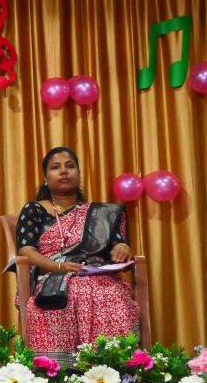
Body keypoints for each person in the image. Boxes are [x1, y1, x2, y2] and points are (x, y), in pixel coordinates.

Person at [15, 147, 139, 364]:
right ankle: (61, 369)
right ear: (46, 178)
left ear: (79, 174)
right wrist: (59, 267)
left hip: (97, 276)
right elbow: (26, 250)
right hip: (53, 278)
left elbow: (116, 246)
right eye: (56, 167)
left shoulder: (100, 214)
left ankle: (114, 365)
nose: (64, 171)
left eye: (70, 166)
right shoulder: (34, 210)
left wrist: (122, 247)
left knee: (112, 292)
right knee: (77, 291)